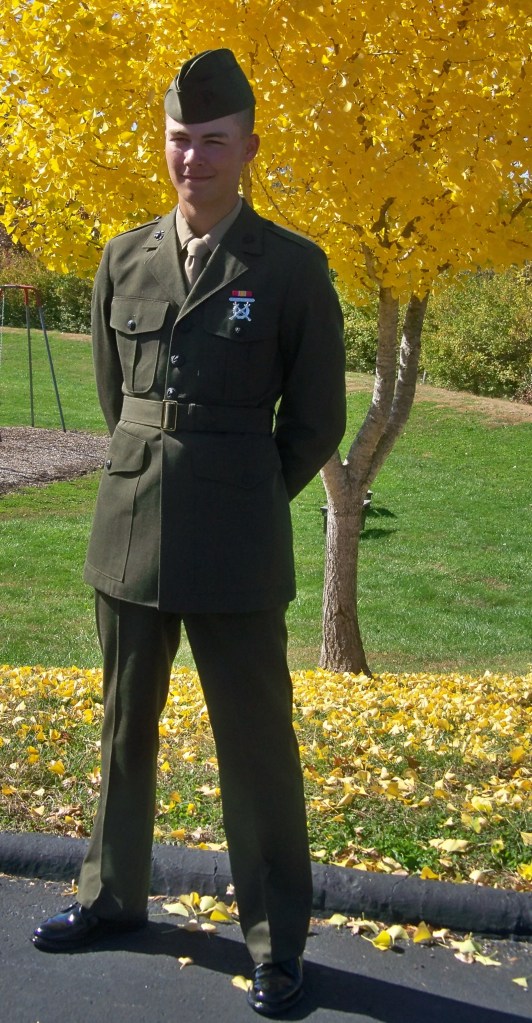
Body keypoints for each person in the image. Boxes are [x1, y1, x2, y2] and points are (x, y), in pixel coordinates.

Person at [33, 48, 346, 1016]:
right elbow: (116, 399)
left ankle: (276, 944)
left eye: (212, 141)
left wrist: (245, 489)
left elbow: (316, 421)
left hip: (237, 545)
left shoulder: (290, 268)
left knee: (255, 747)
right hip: (130, 529)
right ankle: (111, 896)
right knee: (124, 727)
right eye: (179, 139)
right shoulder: (123, 258)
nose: (192, 159)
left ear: (248, 148)